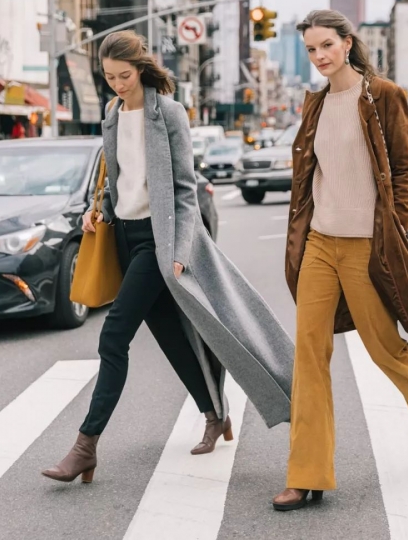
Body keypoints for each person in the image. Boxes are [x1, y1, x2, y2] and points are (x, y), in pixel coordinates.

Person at [42, 30, 294, 484]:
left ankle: (85, 446)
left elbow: (184, 188)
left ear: (140, 69)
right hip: (125, 237)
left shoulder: (169, 113)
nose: (117, 85)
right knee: (172, 337)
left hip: (160, 241)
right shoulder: (112, 113)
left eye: (123, 75)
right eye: (108, 77)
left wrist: (177, 251)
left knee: (113, 337)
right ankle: (215, 414)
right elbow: (116, 178)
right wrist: (94, 211)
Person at [272, 10, 408, 511]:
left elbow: (405, 170)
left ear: (348, 42)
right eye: (311, 50)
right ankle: (306, 473)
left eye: (326, 45)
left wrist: (394, 227)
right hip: (319, 243)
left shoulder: (383, 96)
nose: (319, 57)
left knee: (384, 349)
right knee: (309, 354)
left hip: (366, 246)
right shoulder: (314, 105)